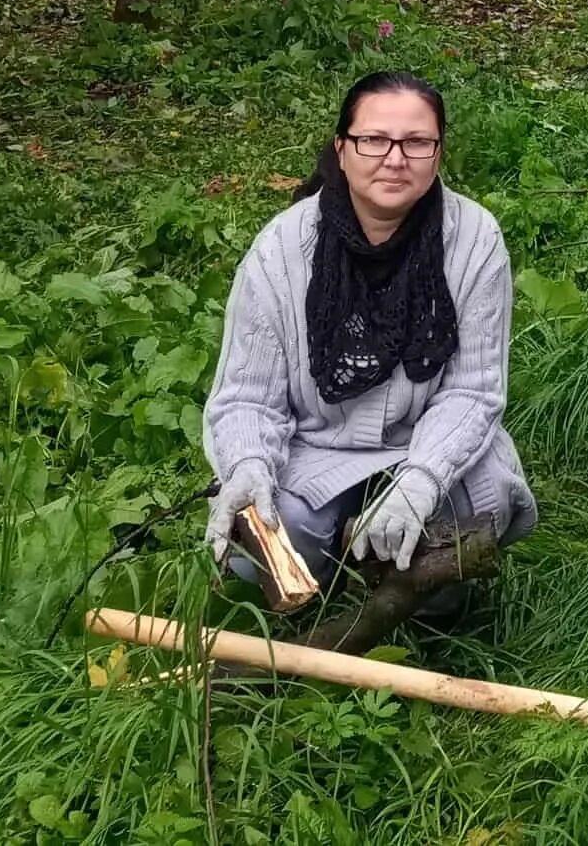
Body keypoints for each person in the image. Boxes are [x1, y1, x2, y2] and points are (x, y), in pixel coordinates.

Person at [204, 71, 537, 606]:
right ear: (341, 149)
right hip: (313, 447)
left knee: (480, 507)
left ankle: (425, 614)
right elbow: (247, 396)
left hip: (423, 444)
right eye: (374, 140)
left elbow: (474, 391)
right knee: (267, 534)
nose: (395, 158)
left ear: (438, 152)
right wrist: (247, 466)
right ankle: (310, 597)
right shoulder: (281, 248)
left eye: (416, 142)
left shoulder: (475, 239)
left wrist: (421, 480)